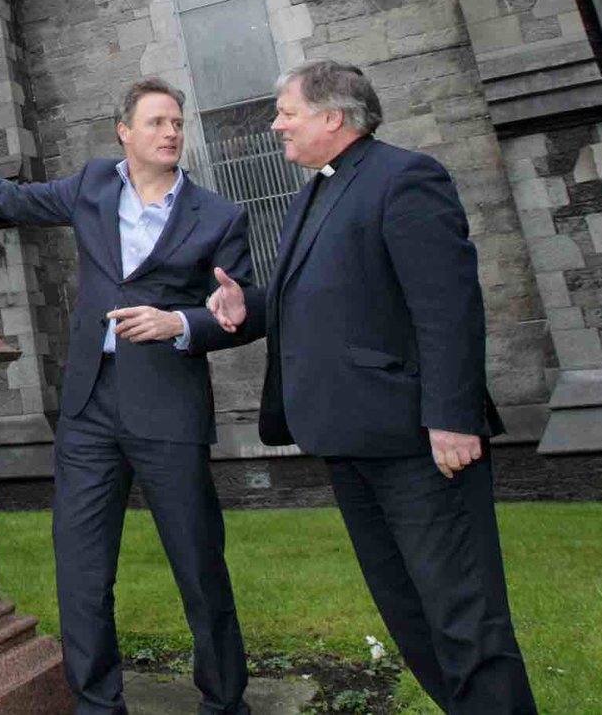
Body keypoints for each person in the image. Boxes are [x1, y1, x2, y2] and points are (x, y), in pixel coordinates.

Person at [0, 82, 253, 715]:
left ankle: (224, 701)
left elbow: (239, 310)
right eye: (156, 122)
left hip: (168, 411)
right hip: (89, 412)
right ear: (123, 132)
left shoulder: (218, 216)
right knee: (80, 571)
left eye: (177, 123)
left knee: (199, 568)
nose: (171, 133)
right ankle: (99, 704)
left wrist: (182, 324)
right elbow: (12, 198)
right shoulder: (94, 186)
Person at [206, 61, 535, 713]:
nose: (275, 124)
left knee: (463, 617)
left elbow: (447, 306)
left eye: (286, 110)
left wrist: (452, 417)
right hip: (350, 444)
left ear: (333, 115)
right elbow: (326, 297)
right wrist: (254, 305)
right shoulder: (315, 193)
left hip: (420, 445)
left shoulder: (405, 177)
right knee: (411, 616)